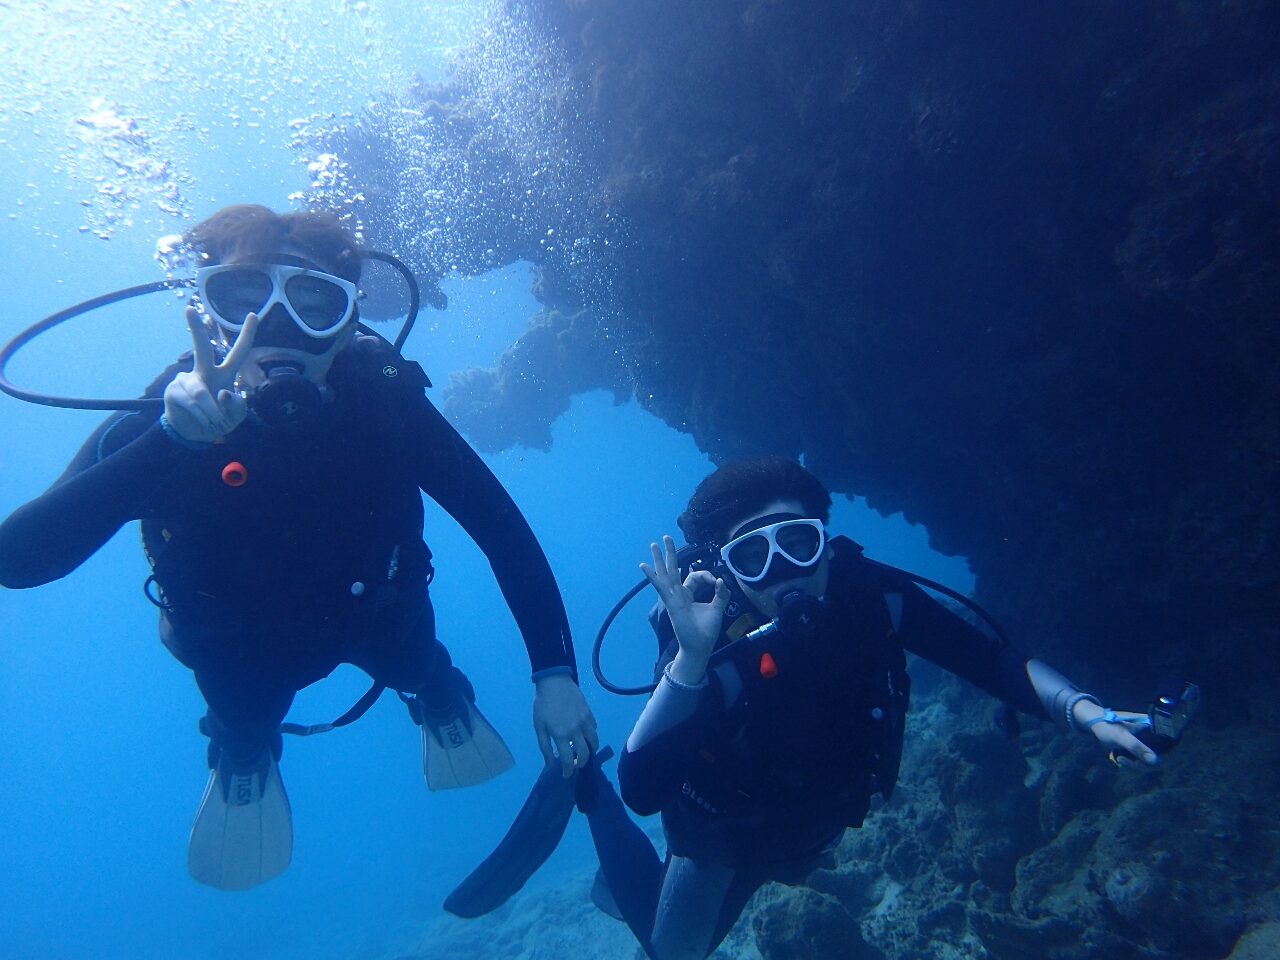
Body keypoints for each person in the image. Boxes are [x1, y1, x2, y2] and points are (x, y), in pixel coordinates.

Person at [0, 205, 598, 890]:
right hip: (236, 652)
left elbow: (502, 529)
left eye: (313, 305)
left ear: (347, 323)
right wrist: (170, 442)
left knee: (415, 661)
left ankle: (436, 691)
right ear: (207, 312)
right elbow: (16, 562)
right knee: (245, 721)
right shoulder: (162, 421)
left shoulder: (382, 400)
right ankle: (245, 753)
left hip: (380, 615)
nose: (276, 331)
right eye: (245, 297)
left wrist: (555, 674)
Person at [572, 456, 1158, 960]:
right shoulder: (709, 639)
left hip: (821, 820)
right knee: (674, 952)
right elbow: (646, 790)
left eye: (799, 543)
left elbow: (986, 658)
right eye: (755, 557)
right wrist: (691, 661)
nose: (785, 574)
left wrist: (1085, 712)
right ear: (726, 568)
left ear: (825, 541)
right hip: (725, 833)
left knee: (788, 867)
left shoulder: (871, 596)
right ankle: (583, 787)